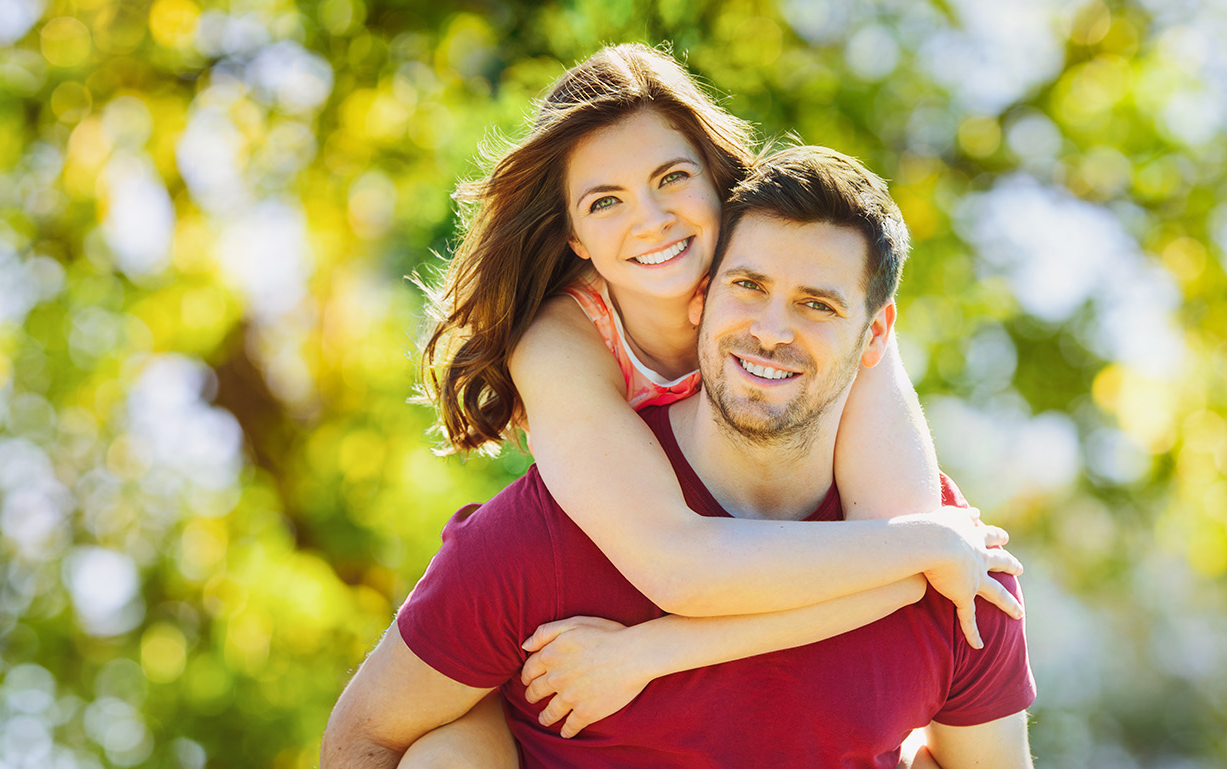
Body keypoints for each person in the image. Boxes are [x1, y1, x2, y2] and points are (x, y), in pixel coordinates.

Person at [379, 43, 1021, 763]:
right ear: (573, 234)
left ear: (717, 182)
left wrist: (648, 655)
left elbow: (895, 566)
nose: (652, 220)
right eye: (605, 200)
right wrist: (935, 543)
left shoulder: (803, 270)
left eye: (671, 178)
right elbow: (687, 565)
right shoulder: (561, 339)